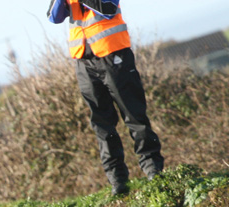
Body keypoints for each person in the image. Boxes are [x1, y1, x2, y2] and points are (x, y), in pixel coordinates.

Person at [47, 0, 164, 195]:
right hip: (84, 62)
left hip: (114, 55)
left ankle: (153, 169)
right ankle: (117, 180)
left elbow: (108, 9)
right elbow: (54, 16)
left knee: (134, 115)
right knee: (101, 124)